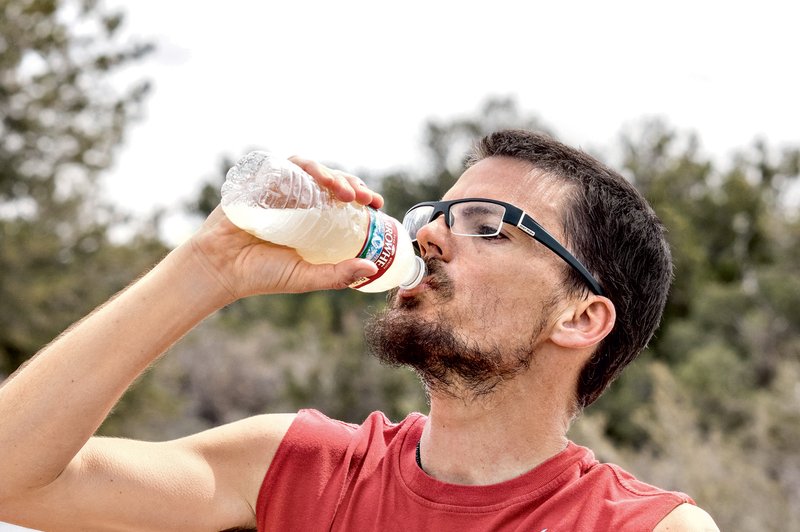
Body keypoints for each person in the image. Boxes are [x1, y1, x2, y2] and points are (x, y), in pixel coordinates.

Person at [0, 130, 719, 531]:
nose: (432, 234)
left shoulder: (643, 529)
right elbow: (13, 480)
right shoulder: (296, 467)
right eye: (437, 212)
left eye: (490, 226)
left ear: (581, 316)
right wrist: (205, 269)